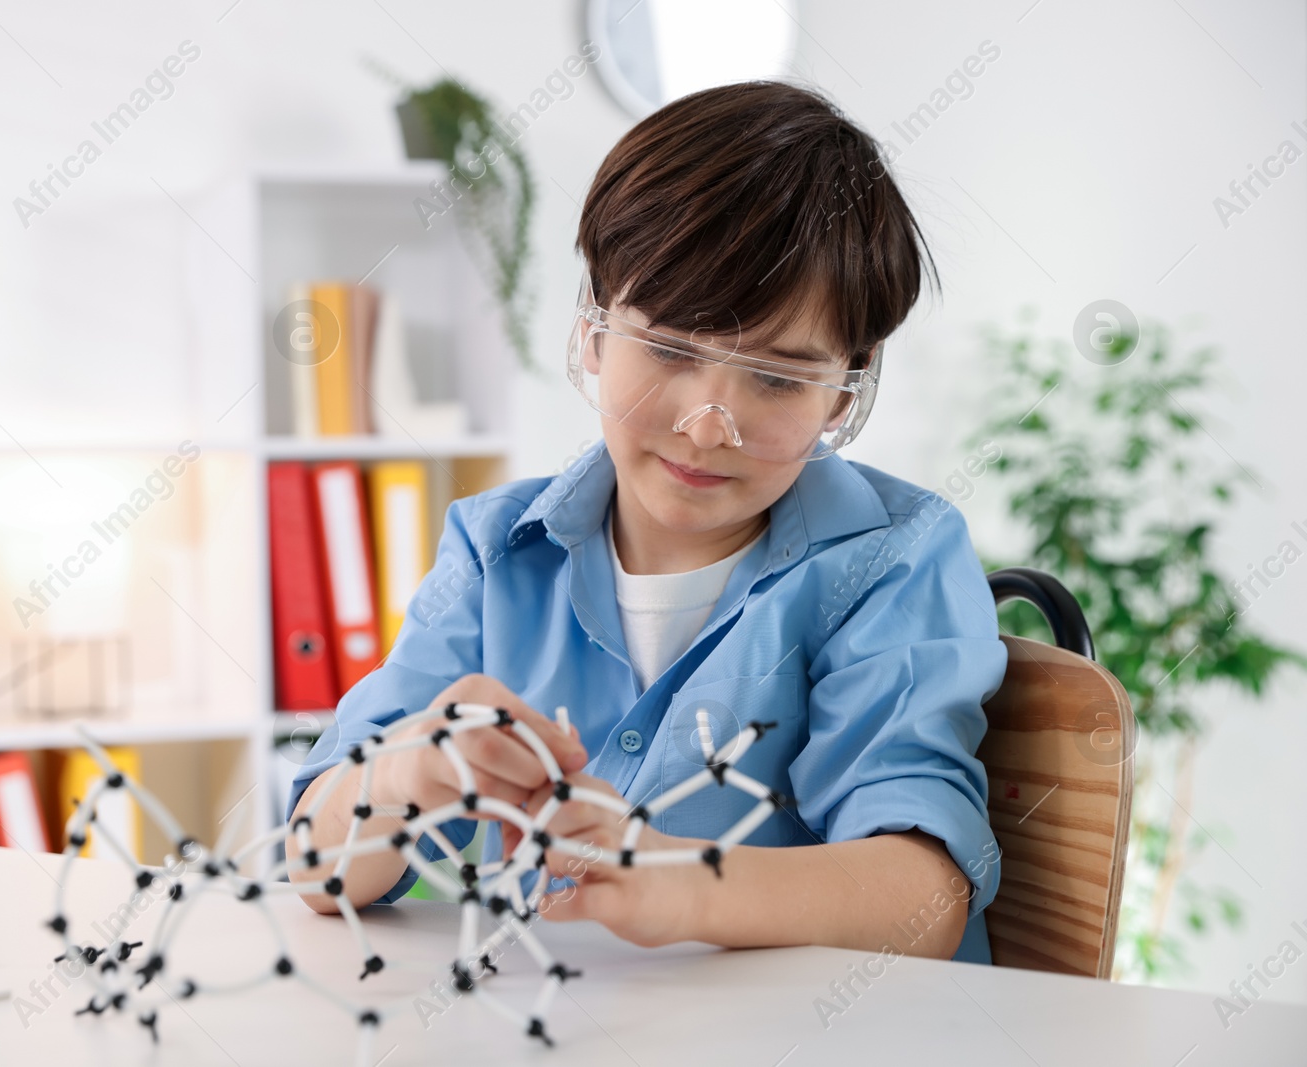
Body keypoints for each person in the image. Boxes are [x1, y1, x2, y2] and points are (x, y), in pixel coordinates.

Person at [287, 80, 1007, 963]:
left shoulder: (892, 560)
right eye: (669, 349)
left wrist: (667, 881)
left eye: (778, 378)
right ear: (592, 328)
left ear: (845, 389)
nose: (710, 424)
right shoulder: (495, 553)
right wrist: (404, 771)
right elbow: (317, 866)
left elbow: (923, 898)